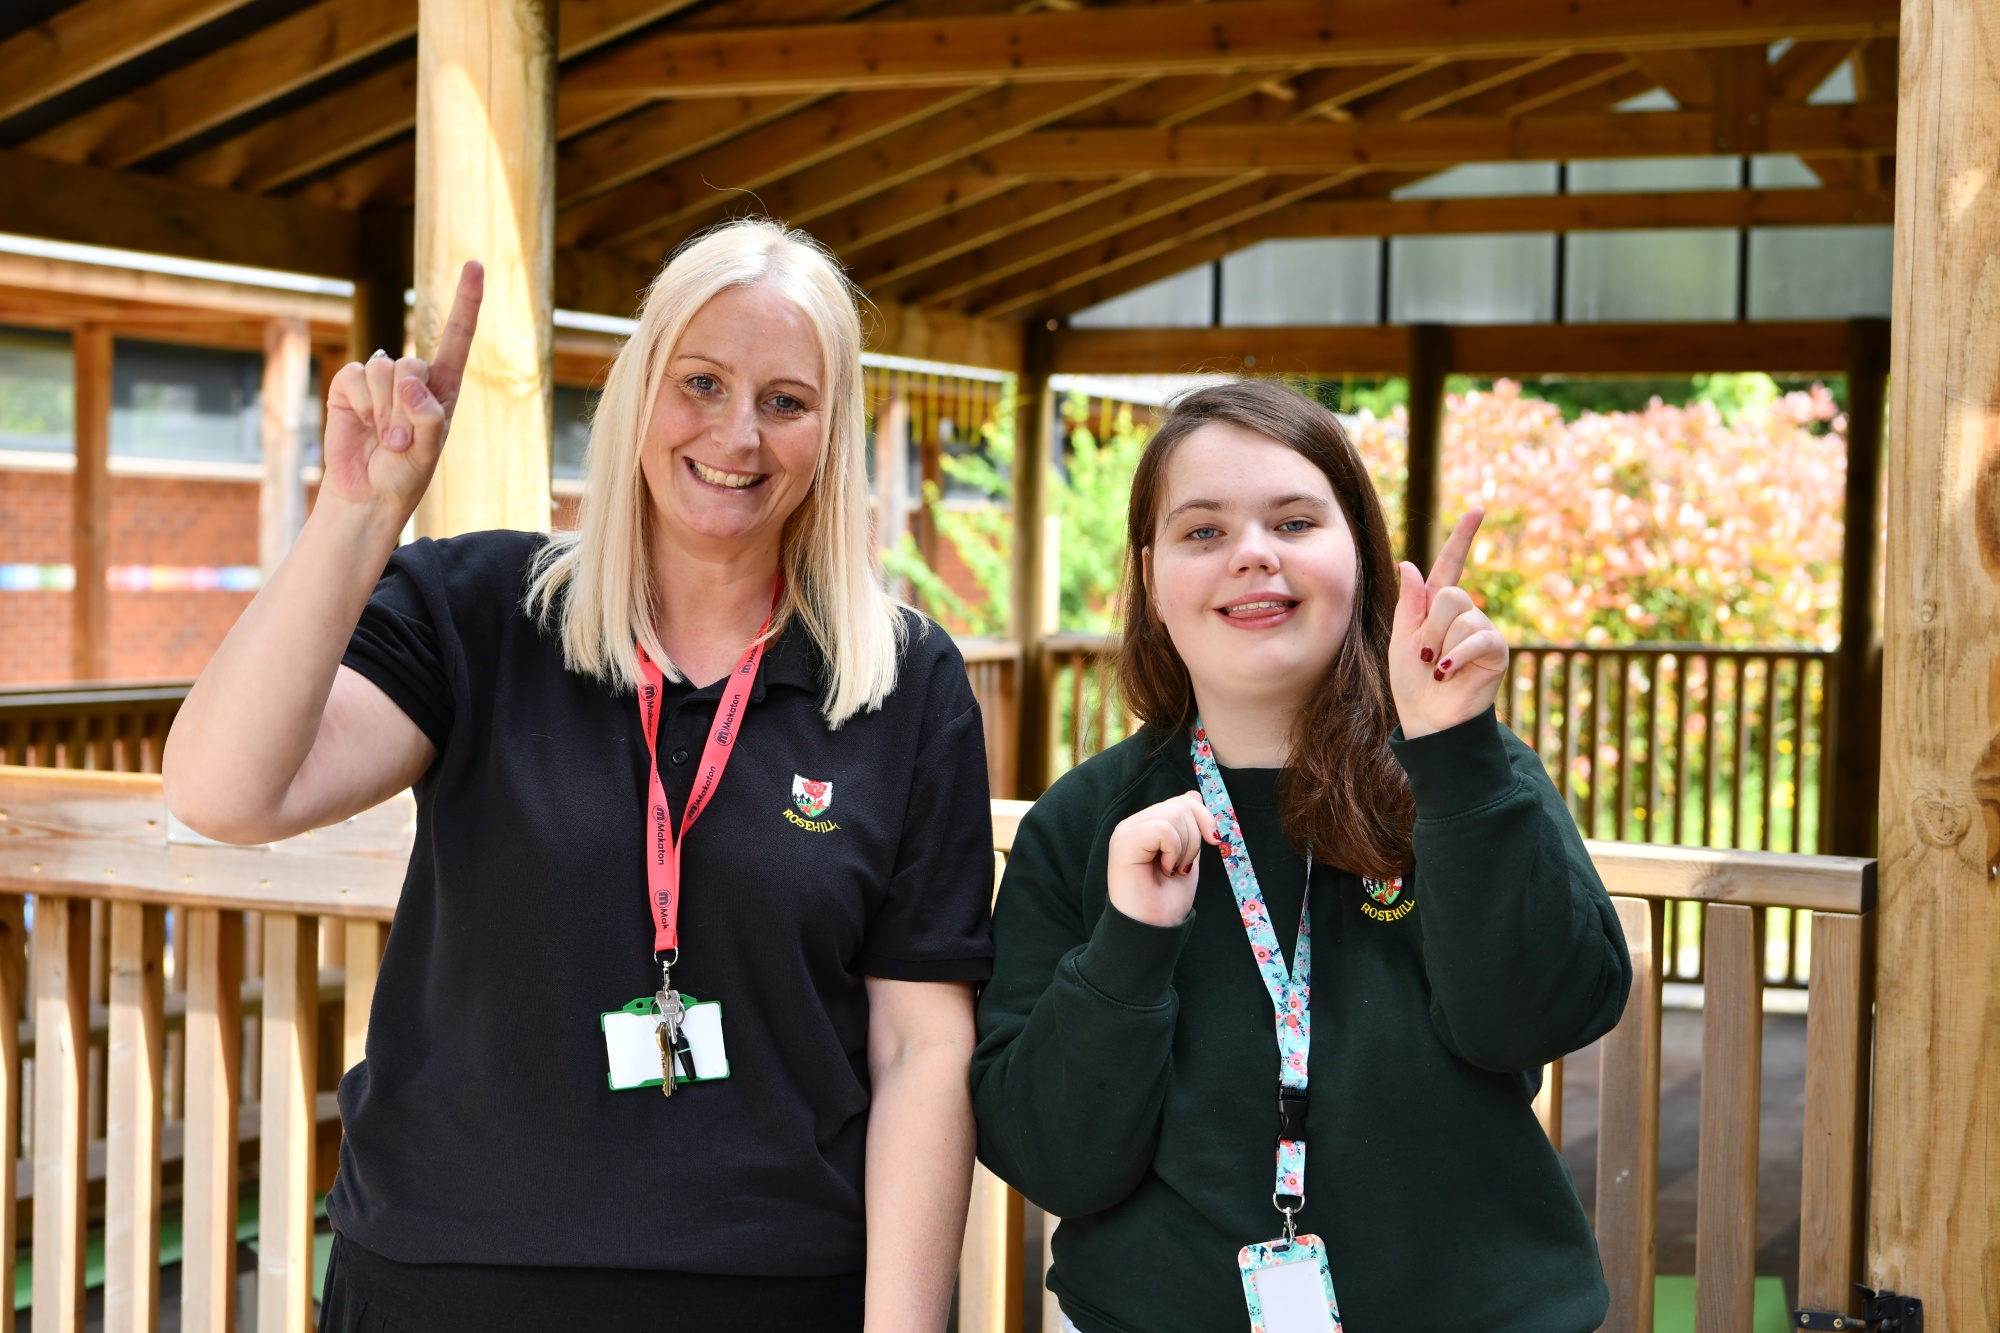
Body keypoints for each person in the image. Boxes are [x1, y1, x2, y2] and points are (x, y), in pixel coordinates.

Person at [164, 220, 995, 1333]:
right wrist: (356, 517)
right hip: (443, 1280)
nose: (736, 435)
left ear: (832, 430)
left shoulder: (900, 679)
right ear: (638, 391)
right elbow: (224, 791)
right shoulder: (483, 611)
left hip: (767, 1290)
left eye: (786, 401)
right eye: (700, 382)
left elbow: (920, 1047)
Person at [971, 379, 1631, 1332]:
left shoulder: (1460, 769)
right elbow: (1053, 1158)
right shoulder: (1084, 826)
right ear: (1152, 579)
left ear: (1358, 552)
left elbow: (1539, 1014)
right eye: (1203, 533)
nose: (1252, 555)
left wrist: (1455, 755)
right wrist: (1129, 946)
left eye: (1293, 520)